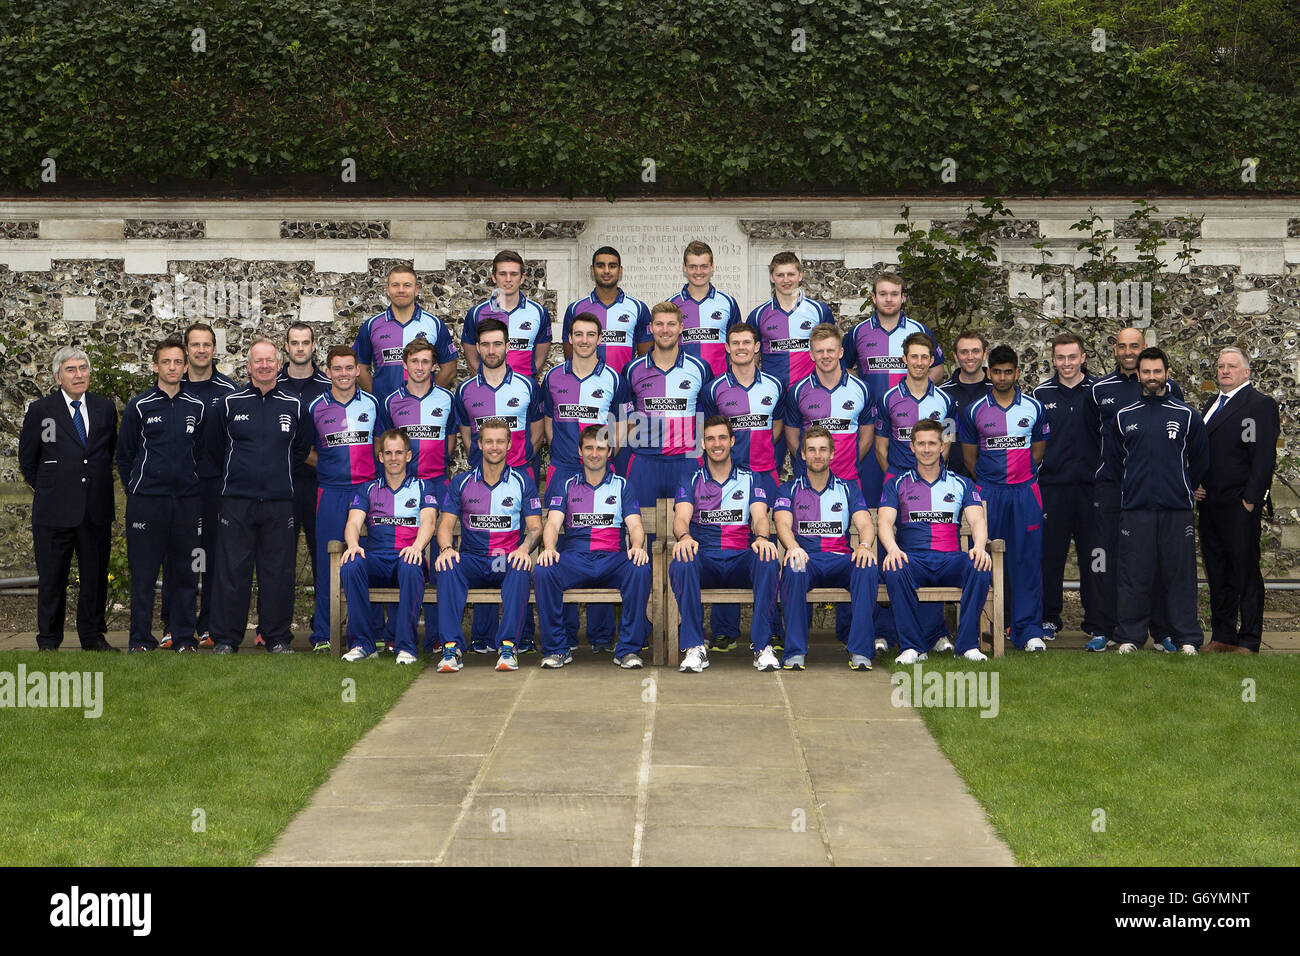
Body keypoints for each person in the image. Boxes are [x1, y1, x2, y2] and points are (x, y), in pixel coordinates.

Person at [204, 338, 312, 654]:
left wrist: (277, 475)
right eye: (258, 361)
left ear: (279, 365)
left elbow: (301, 449)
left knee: (277, 573)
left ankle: (277, 637)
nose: (264, 366)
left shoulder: (294, 405)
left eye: (270, 361)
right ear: (248, 366)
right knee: (231, 572)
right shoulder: (229, 403)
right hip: (237, 502)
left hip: (280, 503)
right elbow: (213, 450)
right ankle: (225, 638)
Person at [1101, 347, 1208, 655]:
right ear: (1139, 376)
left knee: (1180, 576)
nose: (1151, 377)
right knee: (1134, 577)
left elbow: (1201, 459)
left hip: (1177, 511)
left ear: (1166, 374)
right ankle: (1131, 637)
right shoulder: (1123, 417)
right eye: (1145, 372)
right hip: (1136, 511)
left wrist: (1185, 485)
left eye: (1156, 371)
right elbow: (1115, 463)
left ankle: (1187, 637)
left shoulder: (1187, 415)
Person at [1086, 327, 1186, 652]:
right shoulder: (1100, 389)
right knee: (1107, 557)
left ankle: (1161, 631)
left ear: (1145, 349)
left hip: (1149, 491)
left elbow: (1184, 442)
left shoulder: (1170, 389)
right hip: (1113, 488)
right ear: (1114, 349)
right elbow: (1092, 438)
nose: (1128, 352)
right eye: (1122, 346)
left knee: (1154, 559)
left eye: (1135, 346)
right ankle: (1105, 628)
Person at [18, 346, 119, 652]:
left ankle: (92, 637)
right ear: (58, 376)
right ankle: (48, 640)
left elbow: (107, 453)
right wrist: (52, 489)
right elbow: (28, 461)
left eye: (83, 369)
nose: (79, 375)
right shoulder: (41, 411)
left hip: (95, 510)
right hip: (53, 512)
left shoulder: (105, 408)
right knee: (52, 580)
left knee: (95, 578)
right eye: (71, 370)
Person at [783, 323, 875, 650]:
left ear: (840, 353)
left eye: (831, 350)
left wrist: (842, 465)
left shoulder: (861, 389)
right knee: (806, 550)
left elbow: (866, 435)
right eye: (819, 351)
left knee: (848, 551)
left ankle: (849, 634)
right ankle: (798, 637)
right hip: (809, 481)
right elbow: (793, 436)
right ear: (812, 354)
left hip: (848, 478)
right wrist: (813, 464)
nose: (825, 356)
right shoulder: (798, 391)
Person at [454, 317, 544, 653]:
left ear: (508, 346)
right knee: (485, 550)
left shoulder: (526, 385)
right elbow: (466, 436)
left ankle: (521, 636)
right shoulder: (465, 390)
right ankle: (482, 635)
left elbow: (536, 431)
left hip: (518, 478)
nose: (492, 350)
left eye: (498, 344)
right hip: (481, 481)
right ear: (478, 349)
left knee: (518, 555)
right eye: (486, 344)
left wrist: (521, 463)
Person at [116, 337, 208, 653]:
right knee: (143, 574)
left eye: (177, 362)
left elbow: (202, 453)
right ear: (155, 366)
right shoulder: (139, 406)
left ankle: (183, 637)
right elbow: (124, 455)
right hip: (147, 503)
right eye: (165, 362)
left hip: (185, 502)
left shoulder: (196, 407)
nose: (172, 367)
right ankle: (140, 640)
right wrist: (137, 489)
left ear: (185, 367)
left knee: (185, 572)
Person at [540, 312, 624, 652]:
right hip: (563, 467)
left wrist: (604, 458)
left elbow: (619, 426)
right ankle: (569, 633)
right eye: (578, 334)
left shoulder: (614, 378)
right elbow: (548, 423)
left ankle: (603, 635)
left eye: (591, 334)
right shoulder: (552, 378)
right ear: (569, 340)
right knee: (564, 544)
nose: (585, 340)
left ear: (599, 339)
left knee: (601, 539)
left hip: (601, 468)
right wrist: (561, 456)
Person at [699, 322, 786, 651]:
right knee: (728, 539)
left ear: (757, 346)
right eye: (735, 343)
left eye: (746, 343)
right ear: (727, 347)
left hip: (765, 474)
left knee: (770, 544)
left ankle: (774, 627)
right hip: (727, 476)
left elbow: (776, 427)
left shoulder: (775, 385)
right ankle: (725, 629)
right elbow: (709, 431)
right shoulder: (714, 388)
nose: (741, 348)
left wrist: (761, 458)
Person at [535, 425, 651, 669]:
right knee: (544, 570)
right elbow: (553, 524)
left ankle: (627, 650)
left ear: (609, 452)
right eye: (589, 448)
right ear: (580, 451)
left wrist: (638, 546)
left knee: (640, 568)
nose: (594, 453)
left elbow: (635, 525)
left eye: (600, 448)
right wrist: (548, 548)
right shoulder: (565, 484)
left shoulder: (622, 485)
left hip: (611, 560)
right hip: (576, 560)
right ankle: (557, 649)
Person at [669, 416, 780, 672]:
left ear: (731, 441)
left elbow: (761, 517)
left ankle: (762, 646)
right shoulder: (691, 478)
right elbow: (681, 518)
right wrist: (684, 537)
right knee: (683, 560)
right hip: (705, 559)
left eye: (722, 438)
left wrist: (762, 538)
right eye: (710, 439)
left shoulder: (751, 478)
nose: (716, 444)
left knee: (767, 558)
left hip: (740, 558)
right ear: (703, 444)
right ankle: (695, 647)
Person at [878, 418, 993, 663]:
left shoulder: (961, 482)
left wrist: (980, 547)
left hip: (950, 560)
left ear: (942, 446)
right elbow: (885, 522)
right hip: (914, 560)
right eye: (921, 444)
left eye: (932, 443)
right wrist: (893, 549)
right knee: (894, 568)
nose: (927, 449)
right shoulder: (897, 483)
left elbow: (977, 520)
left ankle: (967, 645)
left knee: (980, 567)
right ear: (912, 447)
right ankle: (912, 648)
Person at [959, 345, 1050, 652]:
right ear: (988, 373)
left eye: (1007, 371)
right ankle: (979, 630)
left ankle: (1028, 630)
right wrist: (989, 483)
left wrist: (1020, 477)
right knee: (981, 558)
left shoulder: (1034, 408)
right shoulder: (974, 410)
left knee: (1026, 561)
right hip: (989, 493)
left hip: (1025, 492)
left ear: (1016, 373)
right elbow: (970, 458)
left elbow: (1038, 450)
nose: (1002, 377)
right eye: (996, 372)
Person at [434, 419, 542, 674]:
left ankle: (507, 647)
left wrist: (523, 549)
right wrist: (447, 549)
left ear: (508, 445)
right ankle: (451, 648)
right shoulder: (461, 481)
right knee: (447, 566)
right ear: (479, 444)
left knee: (519, 566)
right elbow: (445, 525)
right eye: (489, 441)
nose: (495, 447)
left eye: (500, 441)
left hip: (503, 560)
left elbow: (536, 528)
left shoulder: (522, 481)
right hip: (473, 559)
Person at [874, 331, 955, 652]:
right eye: (914, 356)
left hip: (933, 484)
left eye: (925, 357)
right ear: (904, 360)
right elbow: (881, 447)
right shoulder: (888, 398)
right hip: (897, 483)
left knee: (930, 551)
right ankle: (883, 632)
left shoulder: (945, 401)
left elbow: (946, 447)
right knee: (889, 554)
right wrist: (899, 482)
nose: (919, 362)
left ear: (931, 360)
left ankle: (934, 633)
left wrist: (929, 478)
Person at [1194, 347, 1279, 654]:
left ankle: (1249, 639)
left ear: (1246, 373)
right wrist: (1196, 483)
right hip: (1210, 503)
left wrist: (1251, 500)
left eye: (1231, 366)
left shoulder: (1260, 405)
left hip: (1239, 504)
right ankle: (1222, 635)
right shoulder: (1211, 404)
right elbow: (1204, 451)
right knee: (1217, 571)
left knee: (1245, 572)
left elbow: (1264, 457)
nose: (1224, 371)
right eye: (1220, 366)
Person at [773, 427, 879, 670]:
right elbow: (782, 523)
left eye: (822, 450)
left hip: (840, 560)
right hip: (807, 559)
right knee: (794, 566)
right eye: (811, 450)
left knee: (867, 567)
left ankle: (861, 652)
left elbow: (865, 524)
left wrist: (863, 546)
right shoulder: (788, 488)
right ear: (802, 455)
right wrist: (793, 548)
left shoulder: (848, 488)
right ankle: (795, 651)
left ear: (832, 454)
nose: (817, 455)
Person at [381, 338, 460, 653]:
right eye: (414, 361)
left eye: (426, 362)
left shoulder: (447, 399)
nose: (420, 367)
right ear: (405, 365)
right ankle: (396, 634)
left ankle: (438, 636)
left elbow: (451, 442)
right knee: (406, 557)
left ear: (434, 366)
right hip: (403, 486)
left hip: (437, 484)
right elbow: (385, 445)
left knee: (439, 560)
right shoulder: (390, 402)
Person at [843, 272, 946, 507]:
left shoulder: (918, 329)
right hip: (871, 426)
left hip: (910, 425)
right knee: (872, 500)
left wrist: (914, 394)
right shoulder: (859, 332)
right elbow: (844, 370)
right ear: (873, 298)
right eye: (883, 294)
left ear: (902, 298)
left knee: (914, 497)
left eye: (894, 294)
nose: (888, 299)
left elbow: (938, 369)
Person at [303, 346, 382, 654]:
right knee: (328, 562)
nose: (345, 374)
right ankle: (324, 632)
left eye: (350, 368)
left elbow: (381, 444)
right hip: (331, 491)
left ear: (358, 371)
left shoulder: (374, 404)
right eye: (338, 369)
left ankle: (373, 630)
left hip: (367, 490)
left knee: (371, 558)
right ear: (328, 372)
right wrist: (326, 468)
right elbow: (305, 451)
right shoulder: (315, 407)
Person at [162, 322, 237, 648]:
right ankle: (175, 626)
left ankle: (209, 626)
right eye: (195, 345)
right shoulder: (172, 388)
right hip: (179, 490)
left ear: (214, 349)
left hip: (217, 488)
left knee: (214, 558)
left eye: (207, 344)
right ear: (187, 349)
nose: (201, 350)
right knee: (180, 557)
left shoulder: (230, 390)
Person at [339, 430, 438, 665]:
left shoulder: (424, 487)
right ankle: (363, 644)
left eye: (399, 453)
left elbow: (429, 521)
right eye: (388, 453)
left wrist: (416, 547)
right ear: (380, 456)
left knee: (411, 564)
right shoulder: (368, 489)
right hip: (377, 560)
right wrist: (352, 545)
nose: (394, 458)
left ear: (408, 456)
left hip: (406, 557)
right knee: (351, 565)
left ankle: (406, 647)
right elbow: (353, 522)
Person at [1032, 332, 1101, 642]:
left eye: (1072, 357)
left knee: (1095, 556)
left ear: (1083, 357)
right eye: (1060, 357)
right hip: (1052, 488)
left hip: (1092, 489)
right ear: (1053, 359)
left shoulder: (1099, 391)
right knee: (1050, 556)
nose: (1067, 363)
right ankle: (1049, 617)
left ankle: (1097, 620)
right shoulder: (1040, 393)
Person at [619, 302, 712, 517]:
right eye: (659, 324)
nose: (665, 330)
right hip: (645, 460)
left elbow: (708, 413)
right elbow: (624, 418)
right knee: (642, 527)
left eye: (671, 324)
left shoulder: (700, 368)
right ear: (650, 328)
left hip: (687, 459)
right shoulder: (633, 369)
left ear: (681, 327)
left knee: (692, 525)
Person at [747, 251, 834, 472]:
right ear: (771, 277)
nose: (786, 280)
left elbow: (828, 351)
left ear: (800, 275)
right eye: (780, 274)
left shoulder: (819, 311)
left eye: (790, 274)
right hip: (773, 398)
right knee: (767, 461)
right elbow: (752, 356)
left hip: (808, 396)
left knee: (809, 460)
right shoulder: (758, 315)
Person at [276, 322, 332, 600]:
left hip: (317, 484)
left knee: (322, 555)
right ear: (286, 347)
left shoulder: (328, 387)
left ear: (313, 346)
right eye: (294, 343)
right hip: (279, 486)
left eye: (305, 342)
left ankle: (322, 626)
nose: (300, 348)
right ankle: (271, 626)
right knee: (276, 558)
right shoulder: (272, 384)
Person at [353, 264, 458, 398]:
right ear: (388, 290)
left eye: (407, 285)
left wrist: (429, 397)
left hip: (423, 411)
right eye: (395, 285)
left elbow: (449, 369)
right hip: (384, 412)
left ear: (416, 290)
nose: (401, 290)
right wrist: (378, 398)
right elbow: (359, 368)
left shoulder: (434, 324)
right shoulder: (372, 325)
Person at [463, 250, 553, 379]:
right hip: (487, 390)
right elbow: (472, 359)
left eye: (514, 274)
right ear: (494, 277)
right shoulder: (476, 313)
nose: (508, 279)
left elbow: (539, 360)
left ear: (522, 278)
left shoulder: (539, 312)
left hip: (524, 391)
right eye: (502, 274)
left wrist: (525, 384)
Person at [561, 247, 651, 375]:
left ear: (620, 271)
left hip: (623, 388)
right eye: (601, 266)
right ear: (592, 270)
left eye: (612, 266)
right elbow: (570, 359)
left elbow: (644, 360)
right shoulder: (575, 309)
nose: (606, 271)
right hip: (587, 388)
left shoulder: (638, 308)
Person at [666, 240, 742, 377]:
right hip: (683, 382)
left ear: (712, 266)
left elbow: (737, 345)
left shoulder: (728, 302)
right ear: (684, 267)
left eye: (704, 266)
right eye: (693, 266)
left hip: (719, 382)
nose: (698, 272)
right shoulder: (671, 305)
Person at [937, 329, 991, 481]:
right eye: (964, 352)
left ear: (985, 354)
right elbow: (945, 437)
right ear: (955, 356)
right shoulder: (943, 395)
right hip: (954, 478)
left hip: (994, 480)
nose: (970, 357)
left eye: (975, 351)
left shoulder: (997, 390)